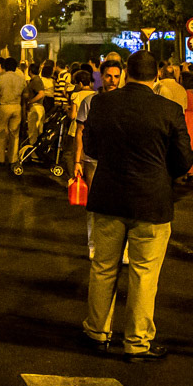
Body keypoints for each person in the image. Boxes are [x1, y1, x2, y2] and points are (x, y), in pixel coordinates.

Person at [80, 50, 193, 362]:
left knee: (103, 268)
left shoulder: (102, 103)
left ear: (126, 73)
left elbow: (90, 147)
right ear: (156, 76)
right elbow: (184, 161)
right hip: (151, 201)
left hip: (108, 196)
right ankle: (136, 342)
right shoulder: (169, 110)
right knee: (144, 274)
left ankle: (97, 332)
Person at [74, 59, 122, 259]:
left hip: (120, 160)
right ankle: (94, 245)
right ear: (101, 76)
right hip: (93, 160)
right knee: (94, 204)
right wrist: (77, 161)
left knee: (121, 204)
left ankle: (122, 248)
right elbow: (80, 132)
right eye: (109, 76)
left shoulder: (124, 100)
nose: (112, 80)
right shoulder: (90, 101)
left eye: (117, 76)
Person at [0, 57, 25, 165]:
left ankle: (0, 159)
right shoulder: (21, 79)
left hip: (4, 106)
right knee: (14, 134)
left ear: (4, 66)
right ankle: (13, 159)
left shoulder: (0, 78)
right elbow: (26, 94)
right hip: (17, 106)